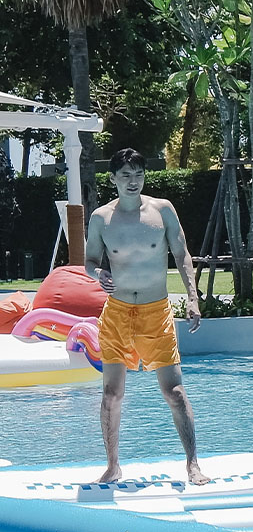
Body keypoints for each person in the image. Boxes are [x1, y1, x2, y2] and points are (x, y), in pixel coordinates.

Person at [85, 148, 210, 485]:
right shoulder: (101, 218)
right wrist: (99, 274)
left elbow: (183, 255)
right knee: (111, 394)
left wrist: (192, 299)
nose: (132, 181)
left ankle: (193, 465)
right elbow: (90, 262)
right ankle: (113, 465)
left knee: (176, 393)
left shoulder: (162, 211)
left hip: (156, 311)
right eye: (125, 175)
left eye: (137, 174)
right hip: (117, 312)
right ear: (112, 179)